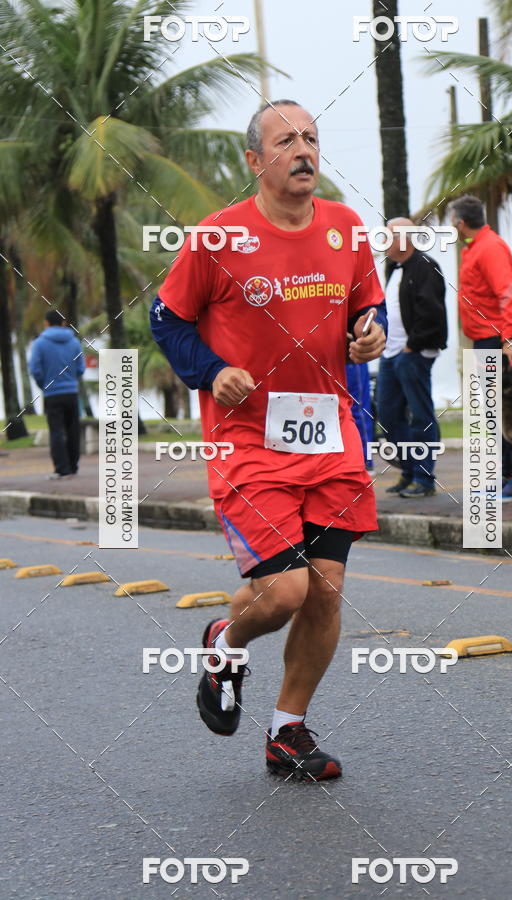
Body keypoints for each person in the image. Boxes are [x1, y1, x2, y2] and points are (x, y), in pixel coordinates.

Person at [150, 99, 387, 781]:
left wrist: (371, 328)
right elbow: (169, 321)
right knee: (282, 593)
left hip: (330, 435)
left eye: (311, 138)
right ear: (255, 161)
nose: (303, 150)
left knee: (325, 592)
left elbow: (367, 302)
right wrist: (212, 370)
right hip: (248, 442)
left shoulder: (345, 227)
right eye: (286, 141)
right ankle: (225, 642)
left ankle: (288, 732)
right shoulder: (218, 237)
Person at [449, 195, 512, 499]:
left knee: (507, 407)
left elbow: (507, 293)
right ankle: (505, 474)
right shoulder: (476, 247)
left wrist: (508, 338)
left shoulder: (489, 248)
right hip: (485, 338)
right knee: (494, 409)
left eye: (452, 221)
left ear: (461, 222)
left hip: (498, 338)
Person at [376, 217, 447, 498]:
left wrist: (412, 346)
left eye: (388, 237)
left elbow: (432, 312)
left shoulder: (425, 266)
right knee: (388, 415)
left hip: (412, 354)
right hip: (390, 354)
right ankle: (408, 470)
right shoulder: (394, 268)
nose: (383, 243)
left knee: (421, 415)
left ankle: (424, 478)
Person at [28, 310, 85, 479]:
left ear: (46, 323)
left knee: (57, 431)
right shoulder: (74, 342)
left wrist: (45, 385)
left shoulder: (39, 344)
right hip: (71, 393)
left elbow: (35, 369)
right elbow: (81, 368)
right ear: (63, 323)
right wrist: (72, 381)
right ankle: (73, 467)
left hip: (52, 394)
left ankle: (62, 469)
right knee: (73, 430)